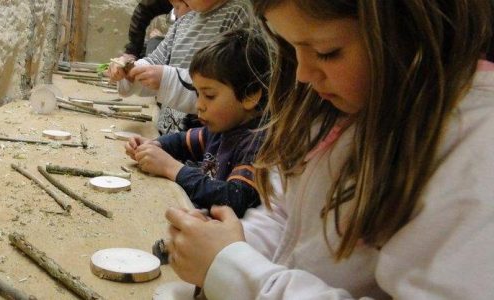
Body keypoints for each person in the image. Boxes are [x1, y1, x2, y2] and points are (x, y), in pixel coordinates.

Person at [164, 0, 494, 298]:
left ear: (407, 30)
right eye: (292, 49)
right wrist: (227, 249)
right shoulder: (334, 108)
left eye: (326, 52)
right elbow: (284, 215)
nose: (304, 74)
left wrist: (239, 273)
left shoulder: (474, 150)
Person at [125, 29, 269, 217]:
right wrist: (153, 145)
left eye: (209, 96)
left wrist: (172, 168)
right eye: (197, 94)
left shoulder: (257, 142)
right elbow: (183, 142)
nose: (199, 105)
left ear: (250, 95)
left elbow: (235, 198)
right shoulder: (220, 127)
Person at [109, 0, 254, 135]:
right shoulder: (183, 21)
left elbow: (228, 88)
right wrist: (129, 71)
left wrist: (167, 80)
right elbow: (154, 61)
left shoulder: (239, 13)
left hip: (206, 145)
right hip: (169, 136)